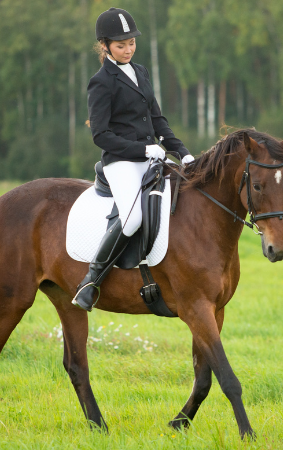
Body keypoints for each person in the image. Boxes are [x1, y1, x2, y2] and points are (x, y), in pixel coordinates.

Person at [72, 7, 194, 312]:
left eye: (131, 43)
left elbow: (157, 120)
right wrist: (142, 150)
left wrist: (183, 152)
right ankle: (91, 281)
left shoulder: (141, 72)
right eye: (120, 45)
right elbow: (100, 135)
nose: (128, 49)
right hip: (121, 162)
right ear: (105, 45)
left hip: (152, 157)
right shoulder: (101, 82)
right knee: (133, 218)